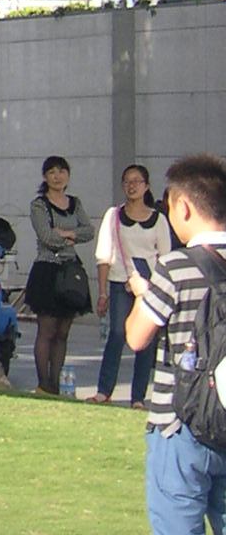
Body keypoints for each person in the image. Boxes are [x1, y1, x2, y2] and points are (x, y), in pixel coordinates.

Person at [114, 151, 226, 535]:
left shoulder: (176, 268)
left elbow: (137, 336)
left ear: (182, 207)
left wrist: (142, 295)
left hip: (177, 428)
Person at [91, 165, 171, 406]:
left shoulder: (159, 219)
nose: (132, 186)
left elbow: (165, 256)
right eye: (127, 181)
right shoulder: (113, 216)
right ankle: (104, 390)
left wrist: (157, 287)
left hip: (149, 285)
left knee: (146, 340)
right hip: (120, 282)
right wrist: (102, 293)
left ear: (146, 186)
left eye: (137, 181)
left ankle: (138, 397)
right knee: (117, 334)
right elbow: (104, 256)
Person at [25, 156, 94, 395]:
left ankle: (56, 384)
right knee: (47, 330)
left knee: (63, 332)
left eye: (62, 171)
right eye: (52, 172)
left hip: (71, 271)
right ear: (45, 176)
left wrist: (66, 233)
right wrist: (70, 235)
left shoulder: (75, 202)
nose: (57, 176)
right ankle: (43, 383)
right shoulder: (39, 205)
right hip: (47, 270)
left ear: (68, 175)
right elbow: (46, 237)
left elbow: (89, 231)